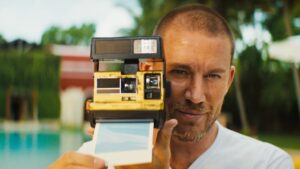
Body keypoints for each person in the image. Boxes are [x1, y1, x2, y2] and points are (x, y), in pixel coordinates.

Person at [48, 4, 294, 169]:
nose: (196, 95)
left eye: (212, 76)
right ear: (147, 73)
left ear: (229, 80)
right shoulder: (96, 158)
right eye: (180, 72)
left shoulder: (266, 163)